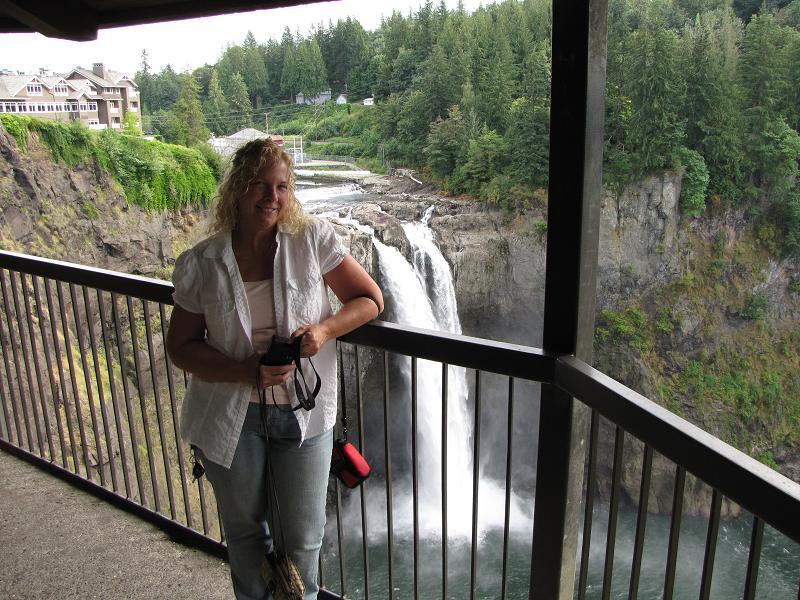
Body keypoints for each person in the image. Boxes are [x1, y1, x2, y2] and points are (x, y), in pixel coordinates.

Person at [166, 138, 383, 600]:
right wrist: (245, 370)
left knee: (302, 542)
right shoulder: (203, 262)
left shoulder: (313, 240)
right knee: (246, 540)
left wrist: (324, 330)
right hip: (233, 416)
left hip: (306, 417)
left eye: (282, 186)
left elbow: (369, 300)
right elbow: (180, 348)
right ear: (237, 190)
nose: (272, 196)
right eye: (260, 185)